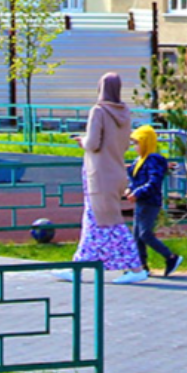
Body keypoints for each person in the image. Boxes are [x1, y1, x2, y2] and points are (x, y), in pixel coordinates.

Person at [67, 73, 141, 277]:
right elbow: (125, 143)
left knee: (109, 222)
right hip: (117, 171)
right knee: (94, 221)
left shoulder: (98, 111)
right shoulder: (125, 113)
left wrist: (82, 141)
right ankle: (78, 265)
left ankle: (136, 267)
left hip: (99, 174)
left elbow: (92, 143)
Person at [121, 125, 180, 282]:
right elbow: (136, 180)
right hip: (141, 202)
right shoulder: (139, 160)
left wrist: (137, 192)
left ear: (146, 143)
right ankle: (142, 266)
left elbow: (154, 182)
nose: (135, 147)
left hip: (150, 202)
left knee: (145, 234)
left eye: (137, 143)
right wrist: (130, 189)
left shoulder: (153, 160)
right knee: (137, 236)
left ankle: (170, 256)